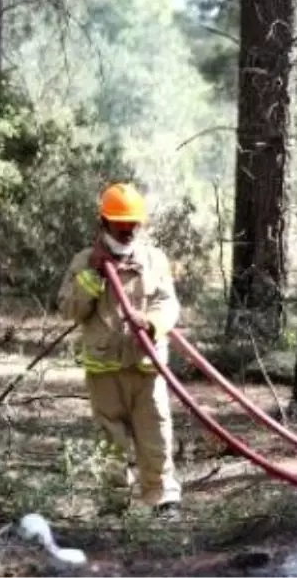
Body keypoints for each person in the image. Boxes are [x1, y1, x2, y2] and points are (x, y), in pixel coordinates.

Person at [56, 183, 183, 520]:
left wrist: (152, 323)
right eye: (120, 224)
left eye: (133, 225)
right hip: (104, 368)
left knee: (155, 430)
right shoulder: (84, 262)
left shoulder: (154, 260)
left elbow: (168, 303)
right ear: (104, 223)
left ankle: (163, 499)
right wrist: (92, 278)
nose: (127, 231)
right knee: (109, 439)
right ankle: (114, 502)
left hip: (146, 365)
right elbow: (69, 310)